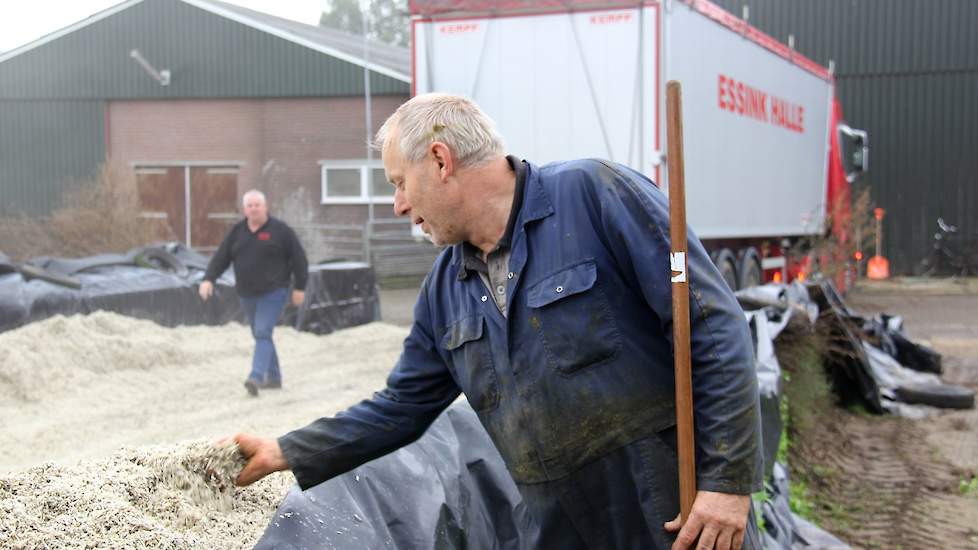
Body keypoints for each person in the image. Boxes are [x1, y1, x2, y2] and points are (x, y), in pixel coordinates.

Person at [231, 94, 763, 549]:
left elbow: (711, 327)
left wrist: (728, 482)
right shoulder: (444, 290)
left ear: (440, 160)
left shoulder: (595, 196)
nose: (397, 205)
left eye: (399, 182)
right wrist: (287, 450)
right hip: (557, 527)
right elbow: (401, 407)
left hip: (672, 512)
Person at [200, 189, 308, 397]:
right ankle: (274, 378)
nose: (253, 209)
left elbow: (299, 259)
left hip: (274, 291)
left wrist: (300, 287)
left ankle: (256, 377)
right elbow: (221, 257)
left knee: (262, 332)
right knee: (261, 334)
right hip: (246, 293)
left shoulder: (281, 231)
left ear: (265, 207)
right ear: (244, 209)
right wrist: (208, 279)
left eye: (257, 205)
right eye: (249, 205)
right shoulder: (237, 232)